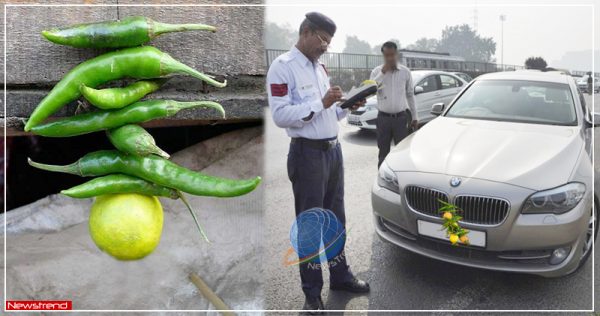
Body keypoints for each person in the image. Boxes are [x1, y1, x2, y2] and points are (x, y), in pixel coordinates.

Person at [266, 11, 370, 313]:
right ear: (306, 32)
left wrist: (346, 107)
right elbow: (280, 115)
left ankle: (340, 276)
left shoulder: (320, 68)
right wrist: (320, 102)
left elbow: (328, 113)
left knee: (336, 220)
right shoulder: (282, 67)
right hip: (307, 155)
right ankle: (312, 293)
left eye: (328, 42)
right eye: (322, 40)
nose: (325, 46)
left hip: (332, 152)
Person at [370, 41, 418, 168]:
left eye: (392, 55)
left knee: (401, 154)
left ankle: (400, 182)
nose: (390, 58)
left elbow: (410, 94)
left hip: (401, 120)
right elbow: (370, 90)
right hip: (383, 119)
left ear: (396, 54)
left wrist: (415, 117)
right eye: (387, 55)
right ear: (383, 55)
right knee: (383, 154)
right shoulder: (376, 72)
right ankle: (382, 182)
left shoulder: (405, 72)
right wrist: (383, 73)